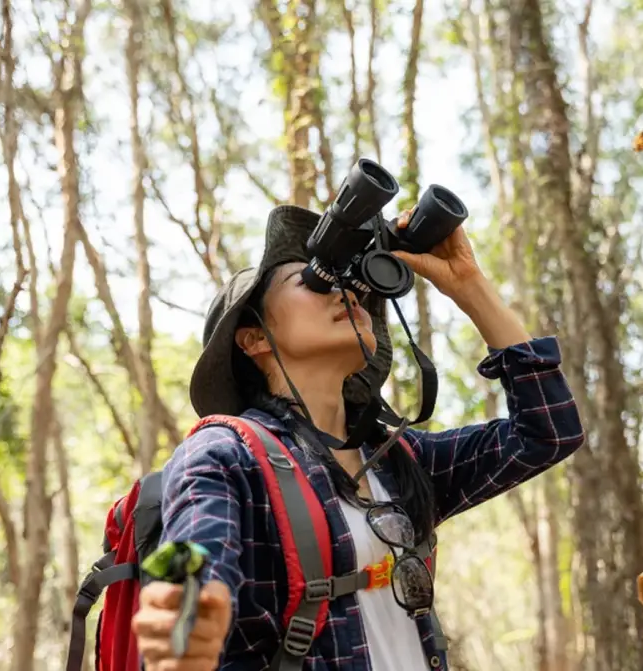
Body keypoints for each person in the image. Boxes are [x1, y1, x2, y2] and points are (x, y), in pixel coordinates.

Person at [131, 204, 585, 670]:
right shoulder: (224, 453)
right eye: (311, 282)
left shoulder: (398, 457)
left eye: (349, 283)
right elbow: (200, 552)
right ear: (254, 340)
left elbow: (547, 431)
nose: (345, 292)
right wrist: (186, 612)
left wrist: (469, 285)